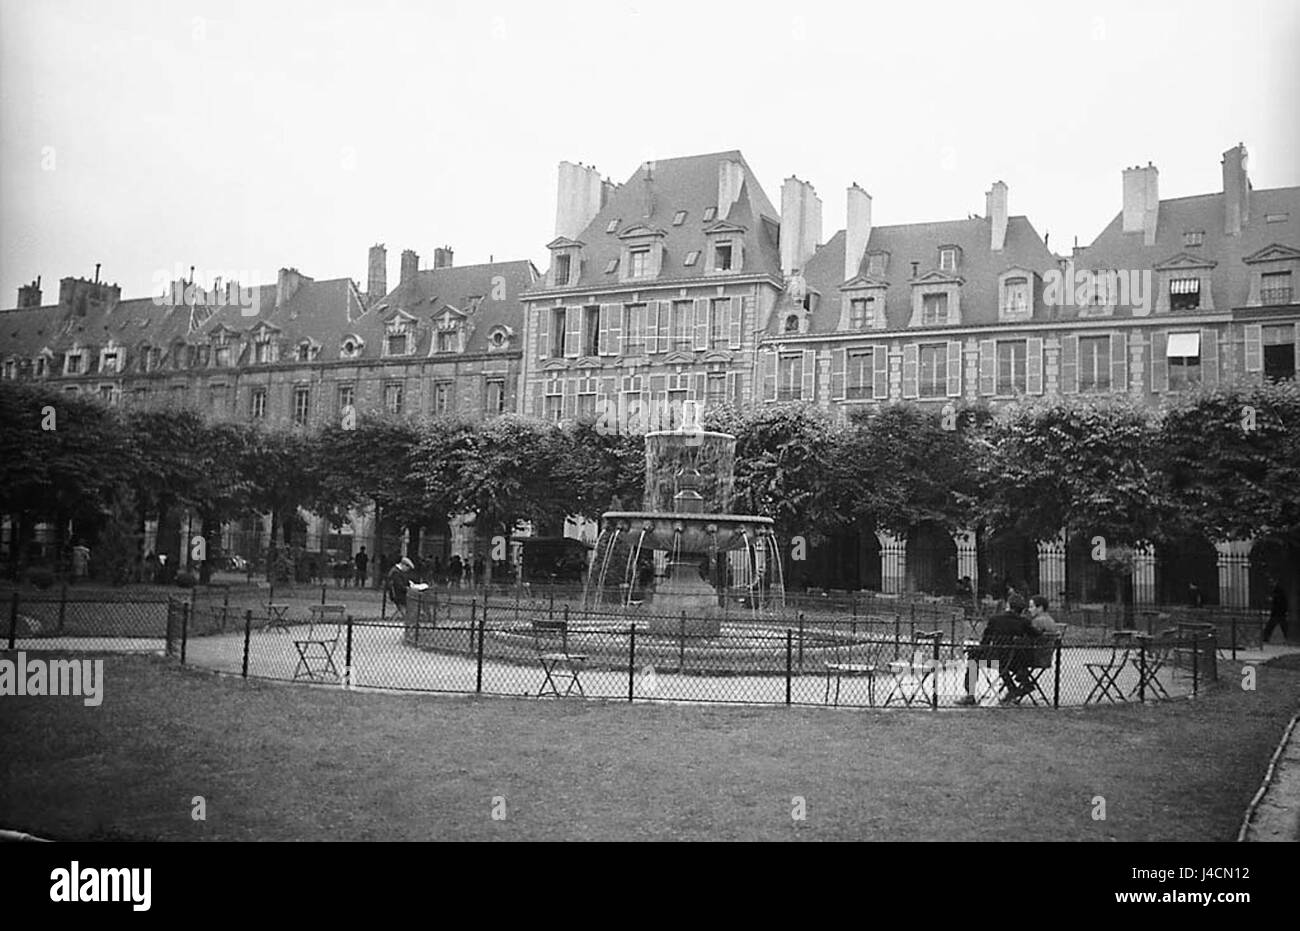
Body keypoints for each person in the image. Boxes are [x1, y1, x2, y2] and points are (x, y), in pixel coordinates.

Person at [981, 593, 1040, 703]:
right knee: (1008, 660)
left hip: (998, 658)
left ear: (1008, 605)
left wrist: (981, 650)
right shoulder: (1024, 622)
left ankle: (970, 693)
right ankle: (1024, 682)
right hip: (1016, 660)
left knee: (973, 660)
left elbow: (985, 640)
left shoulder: (995, 619)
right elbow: (1036, 635)